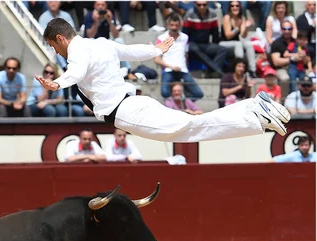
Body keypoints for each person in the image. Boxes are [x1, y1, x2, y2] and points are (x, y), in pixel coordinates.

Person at [36, 17, 291, 143]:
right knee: (192, 125)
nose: (56, 52)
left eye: (53, 46)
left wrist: (57, 83)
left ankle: (255, 112)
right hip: (134, 102)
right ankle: (254, 112)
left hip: (124, 112)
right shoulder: (99, 44)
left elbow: (77, 72)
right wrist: (156, 50)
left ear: (61, 39)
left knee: (190, 130)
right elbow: (130, 51)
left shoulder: (77, 53)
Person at [154, 13, 204, 100]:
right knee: (165, 93)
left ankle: (183, 104)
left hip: (182, 69)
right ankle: (173, 107)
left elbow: (186, 54)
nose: (174, 27)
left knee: (198, 93)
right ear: (168, 25)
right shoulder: (161, 38)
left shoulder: (185, 38)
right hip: (168, 70)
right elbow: (157, 59)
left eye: (176, 25)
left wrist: (186, 67)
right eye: (172, 25)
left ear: (180, 25)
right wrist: (171, 67)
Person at [182, 1, 229, 78]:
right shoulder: (190, 14)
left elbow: (215, 33)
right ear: (195, 4)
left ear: (208, 4)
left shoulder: (213, 14)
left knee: (223, 50)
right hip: (192, 44)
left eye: (204, 5)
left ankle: (211, 71)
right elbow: (185, 34)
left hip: (206, 44)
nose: (202, 7)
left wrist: (215, 45)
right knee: (194, 48)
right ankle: (217, 70)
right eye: (199, 5)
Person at [219, 1, 257, 77]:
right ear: (230, 8)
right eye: (232, 6)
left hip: (236, 42)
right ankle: (240, 68)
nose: (235, 8)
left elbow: (243, 35)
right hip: (224, 43)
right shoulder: (227, 18)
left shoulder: (242, 18)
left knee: (248, 44)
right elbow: (228, 36)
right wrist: (237, 27)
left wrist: (246, 27)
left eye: (237, 6)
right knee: (238, 44)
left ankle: (252, 70)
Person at [270, 21, 304, 97]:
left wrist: (303, 56)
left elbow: (303, 55)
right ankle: (285, 101)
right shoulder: (277, 43)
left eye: (289, 29)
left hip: (297, 67)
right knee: (285, 78)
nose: (287, 31)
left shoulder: (296, 42)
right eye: (284, 29)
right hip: (282, 69)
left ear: (292, 30)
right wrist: (292, 58)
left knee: (307, 77)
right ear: (281, 30)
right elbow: (276, 62)